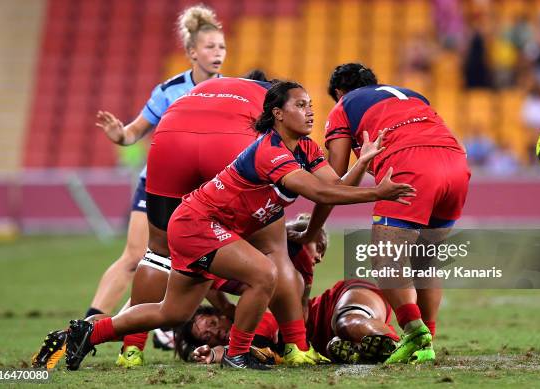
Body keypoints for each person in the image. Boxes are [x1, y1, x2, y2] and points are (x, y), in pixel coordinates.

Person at [63, 81, 416, 370]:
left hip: (203, 225)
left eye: (310, 104)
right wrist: (378, 192)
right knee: (265, 273)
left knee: (174, 312)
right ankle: (237, 353)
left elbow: (333, 186)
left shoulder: (305, 147)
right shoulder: (271, 151)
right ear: (277, 114)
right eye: (300, 105)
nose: (310, 111)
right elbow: (319, 191)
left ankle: (87, 334)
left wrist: (363, 163)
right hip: (196, 224)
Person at [294, 63, 470, 364]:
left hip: (412, 165)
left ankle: (414, 334)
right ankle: (427, 342)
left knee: (386, 257)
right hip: (456, 163)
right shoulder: (413, 96)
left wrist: (312, 233)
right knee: (424, 262)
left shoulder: (344, 106)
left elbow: (332, 182)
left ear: (338, 93)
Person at [84, 4, 226, 364]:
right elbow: (134, 132)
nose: (218, 54)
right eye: (210, 47)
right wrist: (121, 135)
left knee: (178, 264)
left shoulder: (229, 91)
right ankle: (90, 321)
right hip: (159, 186)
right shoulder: (169, 90)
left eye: (222, 47)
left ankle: (143, 329)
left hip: (201, 192)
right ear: (193, 51)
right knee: (137, 256)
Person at [183, 279, 400, 365]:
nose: (216, 333)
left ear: (221, 315)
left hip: (338, 302)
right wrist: (211, 354)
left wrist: (216, 353)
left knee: (346, 323)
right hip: (325, 341)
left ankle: (392, 344)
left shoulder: (248, 311)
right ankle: (361, 350)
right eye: (207, 337)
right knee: (336, 346)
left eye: (211, 324)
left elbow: (244, 345)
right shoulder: (244, 341)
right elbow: (244, 350)